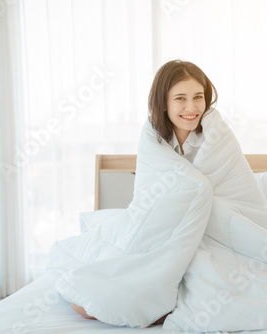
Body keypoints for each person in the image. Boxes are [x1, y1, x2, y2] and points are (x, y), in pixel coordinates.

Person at [71, 60, 218, 324]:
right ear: (164, 103)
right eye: (180, 98)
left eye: (198, 97)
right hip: (154, 222)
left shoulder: (215, 135)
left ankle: (162, 298)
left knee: (211, 286)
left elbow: (228, 184)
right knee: (84, 300)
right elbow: (152, 194)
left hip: (205, 229)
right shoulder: (153, 134)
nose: (191, 107)